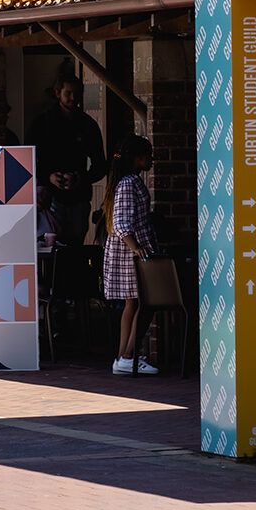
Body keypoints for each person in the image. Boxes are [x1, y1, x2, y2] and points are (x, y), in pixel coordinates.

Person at [27, 75, 107, 247]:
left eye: (77, 93)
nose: (73, 98)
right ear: (57, 93)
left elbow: (100, 165)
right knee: (51, 245)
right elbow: (27, 161)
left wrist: (79, 178)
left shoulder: (87, 125)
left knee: (76, 245)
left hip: (79, 197)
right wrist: (48, 177)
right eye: (68, 93)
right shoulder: (42, 124)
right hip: (48, 197)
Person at [101, 134, 158, 376]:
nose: (152, 160)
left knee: (133, 303)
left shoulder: (127, 182)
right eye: (148, 155)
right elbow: (122, 223)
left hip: (132, 253)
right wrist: (137, 248)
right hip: (131, 255)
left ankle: (124, 356)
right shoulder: (128, 184)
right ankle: (127, 354)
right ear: (137, 158)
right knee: (144, 302)